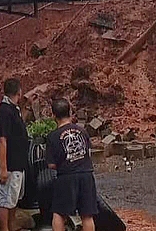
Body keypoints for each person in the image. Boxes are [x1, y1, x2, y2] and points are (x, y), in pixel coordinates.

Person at [46, 98, 98, 231]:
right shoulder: (83, 131)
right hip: (86, 175)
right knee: (87, 215)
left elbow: (51, 165)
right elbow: (89, 153)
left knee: (59, 214)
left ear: (53, 115)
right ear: (70, 112)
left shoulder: (53, 136)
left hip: (66, 177)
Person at [0, 78, 29, 231]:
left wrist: (26, 107)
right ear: (19, 92)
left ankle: (12, 225)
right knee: (5, 199)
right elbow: (2, 140)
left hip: (19, 163)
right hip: (10, 164)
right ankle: (4, 228)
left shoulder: (14, 109)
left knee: (14, 198)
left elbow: (19, 126)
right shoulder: (4, 111)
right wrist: (3, 167)